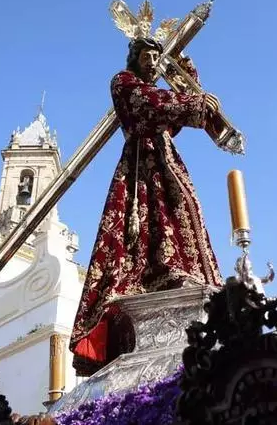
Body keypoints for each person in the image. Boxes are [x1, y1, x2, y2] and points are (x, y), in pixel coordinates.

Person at [69, 37, 224, 376]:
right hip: (140, 166)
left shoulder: (157, 94)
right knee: (145, 218)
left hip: (166, 160)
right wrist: (194, 103)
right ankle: (152, 275)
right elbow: (150, 104)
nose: (152, 62)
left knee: (181, 207)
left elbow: (174, 119)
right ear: (134, 59)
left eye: (156, 56)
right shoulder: (123, 83)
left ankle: (183, 273)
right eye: (146, 56)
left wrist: (185, 71)